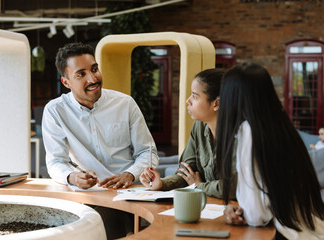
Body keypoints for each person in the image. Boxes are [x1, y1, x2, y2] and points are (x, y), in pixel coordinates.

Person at [217, 63, 324, 239]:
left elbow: (257, 215)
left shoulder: (249, 131)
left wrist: (241, 214)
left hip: (282, 233)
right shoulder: (281, 125)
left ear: (232, 97)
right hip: (308, 230)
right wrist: (239, 209)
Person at [42, 42, 158, 190]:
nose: (92, 79)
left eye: (94, 69)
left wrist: (130, 174)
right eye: (81, 74)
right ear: (66, 82)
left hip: (129, 190)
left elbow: (147, 152)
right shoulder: (55, 111)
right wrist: (73, 177)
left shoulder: (125, 104)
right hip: (88, 193)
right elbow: (56, 161)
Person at [140, 68, 235, 199]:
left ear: (216, 104)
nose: (188, 100)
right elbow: (185, 173)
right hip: (208, 206)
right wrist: (161, 183)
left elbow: (234, 187)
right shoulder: (199, 126)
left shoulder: (240, 134)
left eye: (195, 96)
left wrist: (199, 186)